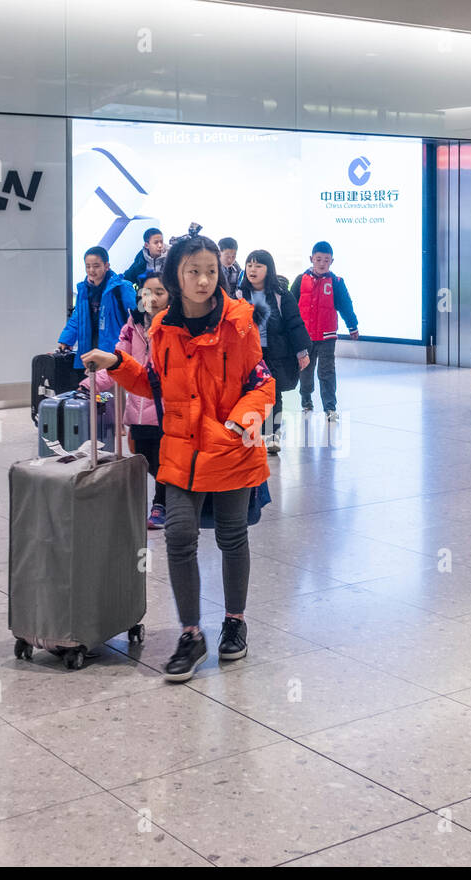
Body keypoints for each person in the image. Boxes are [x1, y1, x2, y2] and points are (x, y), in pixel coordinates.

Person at [82, 235, 275, 683]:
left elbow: (263, 382)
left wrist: (239, 423)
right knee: (179, 536)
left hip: (231, 450)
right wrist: (116, 361)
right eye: (193, 271)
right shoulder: (162, 328)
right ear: (176, 277)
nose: (204, 280)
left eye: (210, 271)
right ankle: (191, 633)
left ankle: (234, 622)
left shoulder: (241, 323)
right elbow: (154, 383)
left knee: (231, 537)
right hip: (182, 452)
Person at [96, 271, 169, 528]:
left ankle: (161, 504)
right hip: (136, 408)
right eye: (148, 292)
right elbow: (119, 359)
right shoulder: (133, 324)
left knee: (164, 461)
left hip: (163, 410)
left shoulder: (175, 325)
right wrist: (90, 384)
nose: (153, 298)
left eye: (160, 292)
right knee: (144, 457)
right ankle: (170, 497)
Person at [237, 249, 312, 454]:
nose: (253, 269)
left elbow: (294, 324)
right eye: (249, 265)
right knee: (248, 394)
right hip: (247, 354)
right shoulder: (238, 294)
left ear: (268, 270)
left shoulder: (280, 294)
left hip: (274, 353)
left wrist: (301, 352)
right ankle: (252, 434)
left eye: (258, 265)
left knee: (272, 394)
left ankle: (272, 435)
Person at [297, 241, 359, 421]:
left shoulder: (336, 282)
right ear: (311, 259)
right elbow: (291, 307)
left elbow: (346, 305)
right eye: (318, 259)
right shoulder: (301, 280)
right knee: (306, 372)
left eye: (326, 260)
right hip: (305, 337)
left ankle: (330, 408)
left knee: (326, 372)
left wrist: (352, 326)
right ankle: (306, 401)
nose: (322, 263)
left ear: (332, 261)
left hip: (327, 337)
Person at [57, 245, 135, 367]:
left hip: (115, 349)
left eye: (96, 266)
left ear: (107, 266)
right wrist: (66, 340)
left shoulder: (121, 287)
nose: (91, 270)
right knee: (92, 383)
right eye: (88, 266)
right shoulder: (84, 290)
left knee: (113, 384)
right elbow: (77, 318)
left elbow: (135, 317)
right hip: (90, 347)